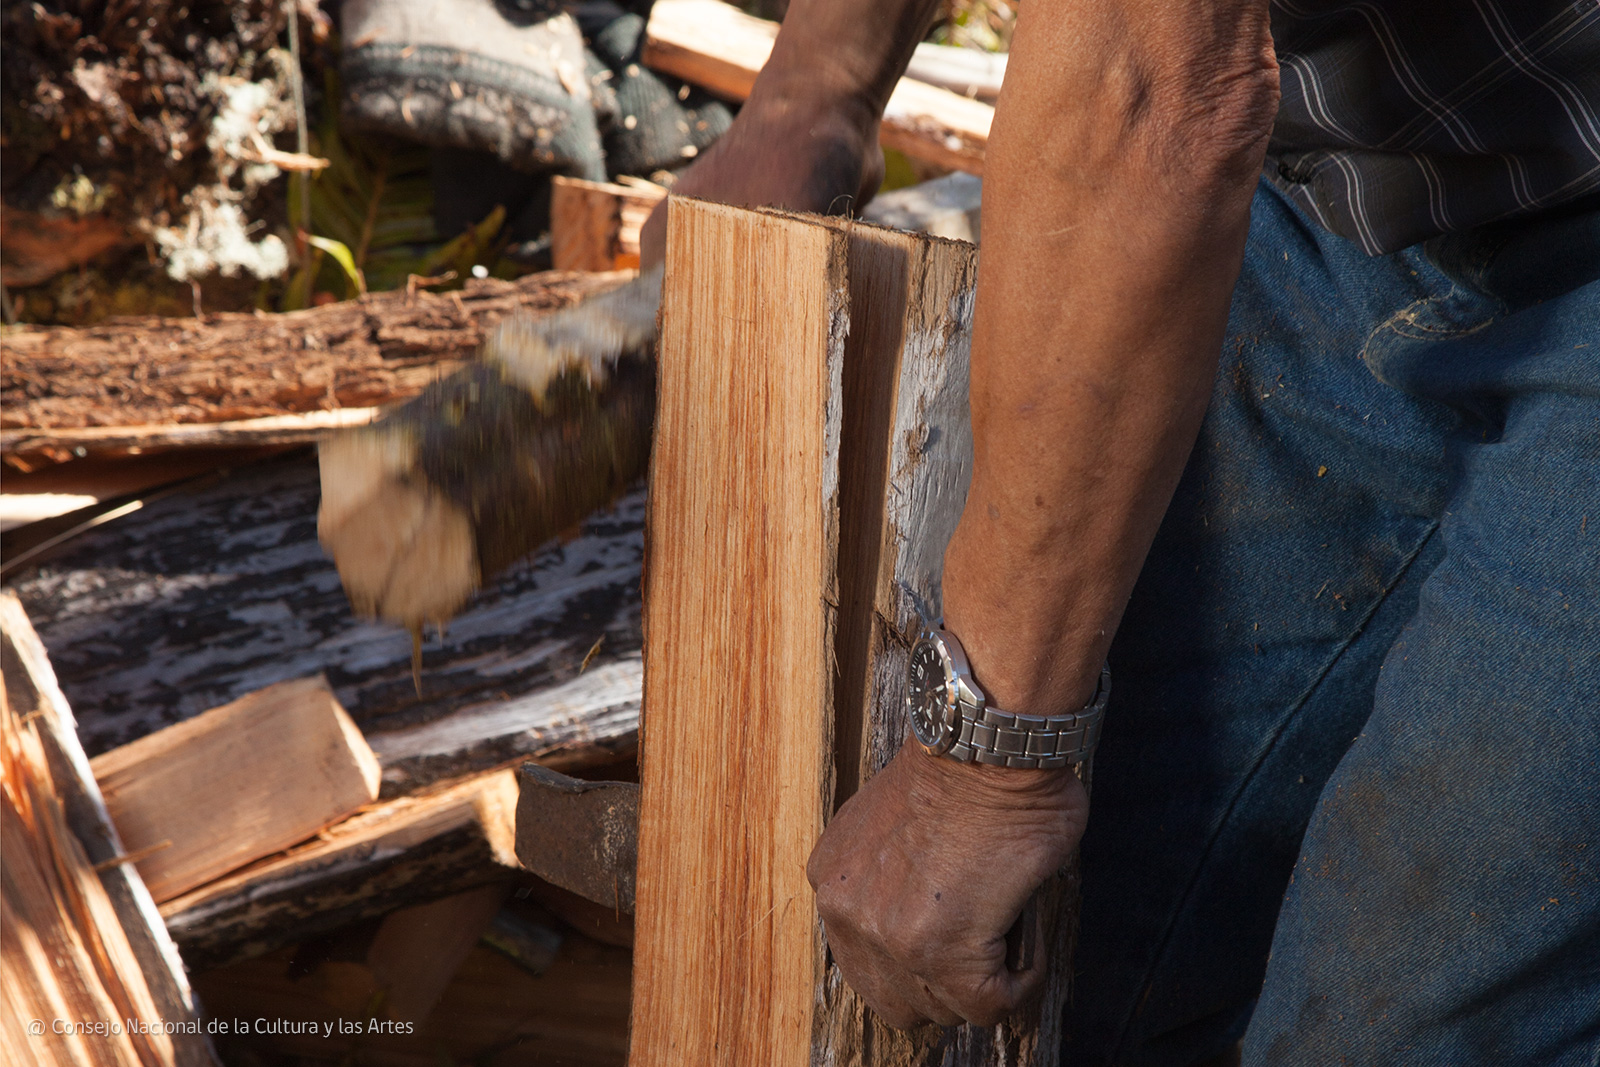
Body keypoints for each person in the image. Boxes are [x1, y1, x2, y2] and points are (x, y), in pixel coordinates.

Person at [640, 0, 1600, 1063]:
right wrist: (815, 95)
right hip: (1360, 169)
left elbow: (1152, 94)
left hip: (1335, 114)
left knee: (1414, 1019)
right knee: (1094, 951)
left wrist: (985, 761)